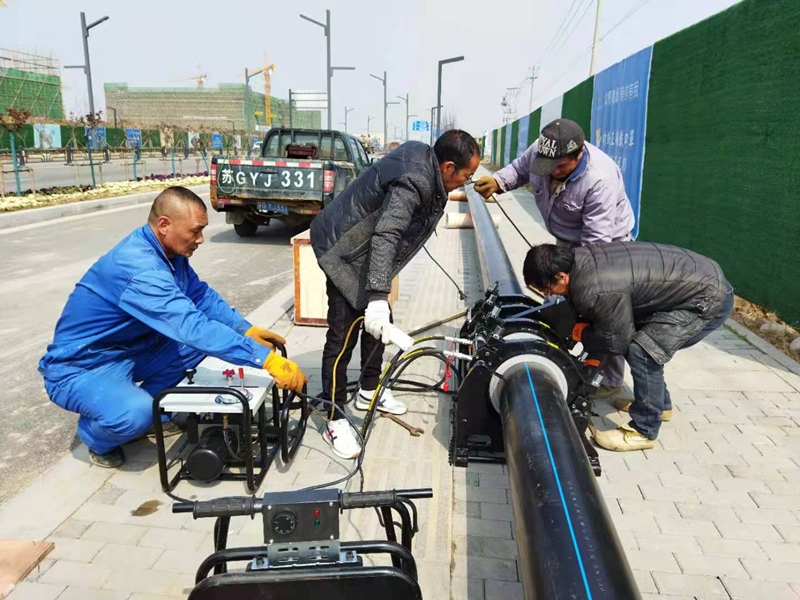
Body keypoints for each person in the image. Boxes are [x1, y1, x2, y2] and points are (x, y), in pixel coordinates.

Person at [39, 186, 307, 468]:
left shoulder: (170, 255)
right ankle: (96, 437)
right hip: (84, 365)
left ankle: (158, 414)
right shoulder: (140, 269)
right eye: (195, 231)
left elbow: (200, 296)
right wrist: (265, 360)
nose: (200, 239)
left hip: (133, 350)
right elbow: (192, 327)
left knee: (198, 351)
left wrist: (244, 329)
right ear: (164, 224)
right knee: (134, 414)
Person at [310, 130, 480, 459]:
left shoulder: (426, 161)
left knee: (380, 323)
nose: (467, 181)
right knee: (342, 336)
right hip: (341, 249)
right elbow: (387, 233)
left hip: (363, 250)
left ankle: (368, 390)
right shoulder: (416, 180)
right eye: (467, 175)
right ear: (448, 167)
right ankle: (334, 416)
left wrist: (377, 298)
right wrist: (376, 295)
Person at [474, 119, 635, 401]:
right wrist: (498, 181)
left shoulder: (600, 179)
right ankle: (557, 358)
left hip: (606, 247)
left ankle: (609, 378)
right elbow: (520, 169)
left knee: (602, 309)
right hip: (568, 239)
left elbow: (595, 244)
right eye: (547, 166)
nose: (551, 172)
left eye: (559, 167)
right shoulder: (544, 149)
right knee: (555, 302)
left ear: (579, 154)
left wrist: (576, 287)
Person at [522, 242, 734, 451]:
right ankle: (660, 406)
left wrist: (581, 333)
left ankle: (644, 430)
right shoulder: (579, 260)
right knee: (637, 336)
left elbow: (616, 340)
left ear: (561, 276)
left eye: (548, 289)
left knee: (643, 350)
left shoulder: (596, 288)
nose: (551, 295)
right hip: (696, 282)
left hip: (706, 299)